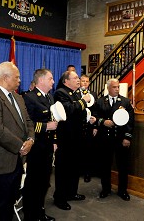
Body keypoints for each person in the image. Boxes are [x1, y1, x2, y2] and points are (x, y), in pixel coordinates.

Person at [0, 61, 35, 221]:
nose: (19, 81)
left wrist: (30, 139)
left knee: (10, 202)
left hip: (17, 161)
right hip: (2, 163)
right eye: (16, 77)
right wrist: (20, 146)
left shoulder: (18, 97)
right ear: (5, 77)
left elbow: (28, 122)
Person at [53, 70, 92, 210]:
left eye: (78, 78)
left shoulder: (75, 93)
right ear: (66, 81)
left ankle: (71, 193)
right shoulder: (60, 93)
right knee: (64, 169)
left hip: (77, 138)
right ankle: (60, 197)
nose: (78, 80)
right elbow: (68, 109)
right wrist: (83, 101)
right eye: (75, 78)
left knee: (74, 168)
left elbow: (78, 112)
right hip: (66, 139)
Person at [22, 69, 57, 221]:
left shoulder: (49, 97)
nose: (53, 82)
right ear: (41, 80)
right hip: (35, 147)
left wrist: (54, 140)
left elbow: (54, 120)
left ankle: (40, 212)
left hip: (47, 147)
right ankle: (30, 214)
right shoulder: (29, 98)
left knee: (44, 182)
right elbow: (25, 125)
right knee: (33, 183)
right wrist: (45, 127)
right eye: (50, 79)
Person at [94, 78, 134, 201]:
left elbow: (131, 121)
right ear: (108, 88)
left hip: (120, 139)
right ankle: (105, 189)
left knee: (123, 166)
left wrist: (127, 137)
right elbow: (95, 117)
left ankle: (123, 190)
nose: (117, 89)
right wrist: (103, 122)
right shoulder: (100, 101)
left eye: (118, 87)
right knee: (105, 165)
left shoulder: (125, 102)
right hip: (105, 139)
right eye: (114, 87)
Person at [79, 74, 98, 183]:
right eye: (83, 81)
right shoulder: (76, 94)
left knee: (88, 149)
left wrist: (95, 125)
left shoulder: (93, 94)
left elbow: (95, 110)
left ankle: (87, 173)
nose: (85, 83)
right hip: (79, 125)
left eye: (87, 81)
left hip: (90, 126)